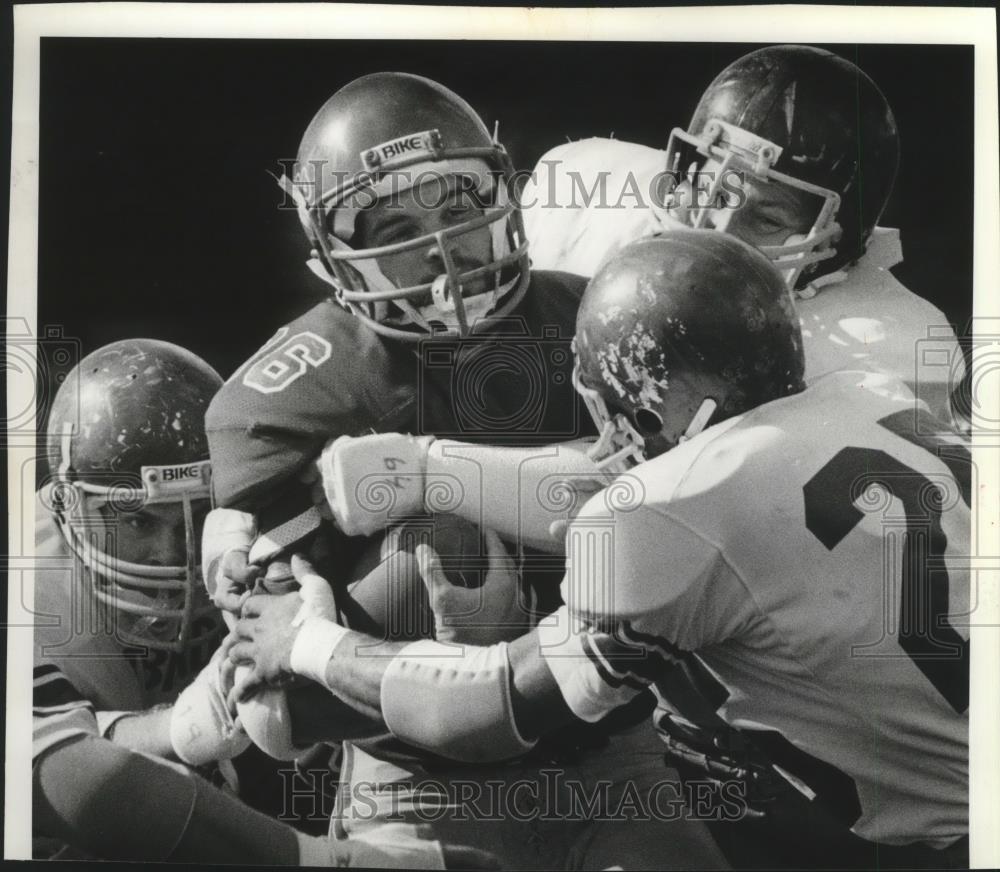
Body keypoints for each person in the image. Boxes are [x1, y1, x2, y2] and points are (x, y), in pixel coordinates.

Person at [228, 231, 970, 868]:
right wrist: (428, 470)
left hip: (950, 836)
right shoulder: (874, 391)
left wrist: (312, 643)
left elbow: (491, 706)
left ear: (644, 401)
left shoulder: (671, 510)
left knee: (693, 719)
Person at [204, 73, 727, 869]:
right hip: (418, 784)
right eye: (398, 225)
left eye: (456, 208)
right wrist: (435, 672)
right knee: (430, 554)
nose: (441, 244)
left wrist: (435, 476)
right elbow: (279, 718)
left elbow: (673, 528)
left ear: (502, 200)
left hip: (610, 755)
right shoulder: (284, 398)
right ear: (333, 257)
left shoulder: (597, 318)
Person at [32, 338, 471, 868]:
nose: (174, 551)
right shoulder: (29, 589)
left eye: (200, 513)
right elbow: (61, 771)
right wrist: (187, 724)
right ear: (67, 506)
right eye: (139, 520)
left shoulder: (259, 530)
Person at [520, 44, 965, 426]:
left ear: (833, 243)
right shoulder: (597, 190)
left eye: (768, 218)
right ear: (685, 173)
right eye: (715, 193)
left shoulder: (887, 348)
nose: (719, 234)